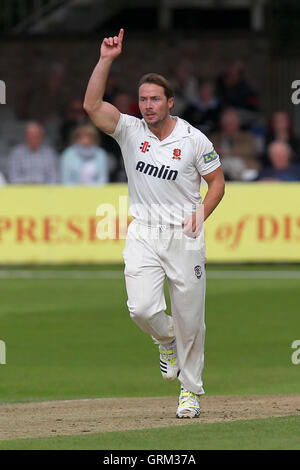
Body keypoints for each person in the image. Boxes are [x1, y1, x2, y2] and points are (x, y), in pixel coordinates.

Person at [84, 29, 225, 419]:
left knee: (191, 318)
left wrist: (201, 213)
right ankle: (165, 340)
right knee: (142, 309)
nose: (147, 106)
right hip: (144, 232)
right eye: (143, 99)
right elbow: (92, 105)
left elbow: (217, 182)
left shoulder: (193, 140)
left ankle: (190, 392)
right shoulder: (130, 131)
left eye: (154, 99)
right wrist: (106, 59)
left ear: (170, 102)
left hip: (184, 236)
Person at [209, 108, 259, 181]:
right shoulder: (214, 138)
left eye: (232, 122)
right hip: (221, 167)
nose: (229, 125)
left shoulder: (247, 137)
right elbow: (207, 154)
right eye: (226, 122)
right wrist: (216, 152)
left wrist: (226, 152)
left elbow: (250, 149)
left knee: (235, 163)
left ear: (237, 123)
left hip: (244, 167)